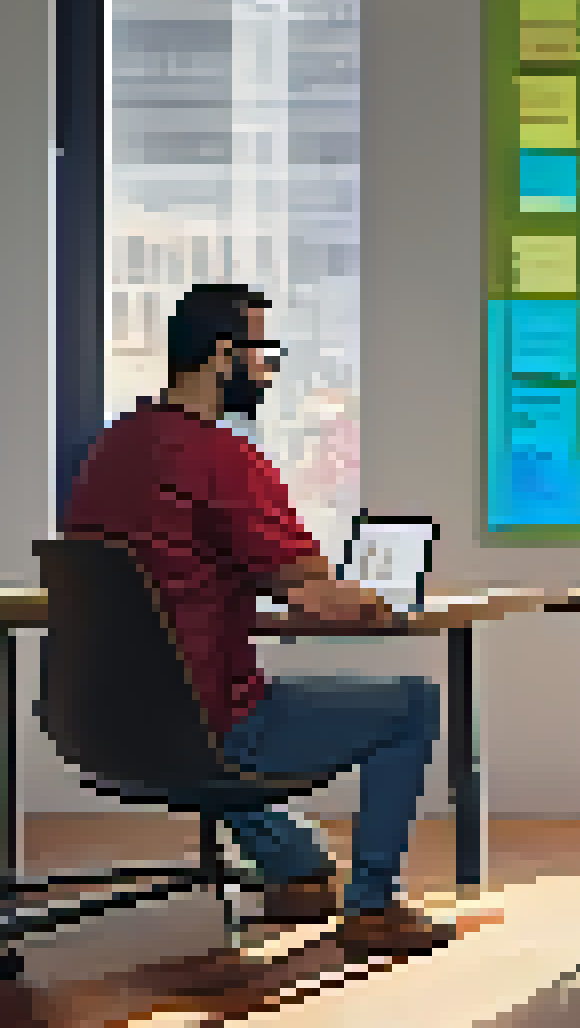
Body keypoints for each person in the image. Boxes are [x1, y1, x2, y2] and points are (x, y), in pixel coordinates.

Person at [59, 284, 452, 957]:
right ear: (221, 356)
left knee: (206, 699)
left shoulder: (111, 449)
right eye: (263, 353)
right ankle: (373, 909)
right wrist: (378, 596)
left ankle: (292, 867)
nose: (269, 370)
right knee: (411, 704)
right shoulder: (223, 459)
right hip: (208, 727)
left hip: (103, 723)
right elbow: (314, 596)